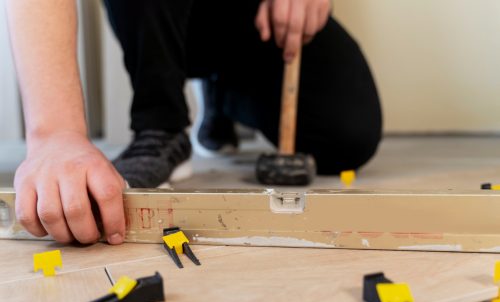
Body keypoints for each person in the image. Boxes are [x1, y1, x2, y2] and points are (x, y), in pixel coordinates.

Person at [6, 0, 382, 245]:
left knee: (346, 136)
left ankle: (221, 95)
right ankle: (160, 123)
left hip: (256, 14)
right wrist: (56, 133)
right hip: (154, 14)